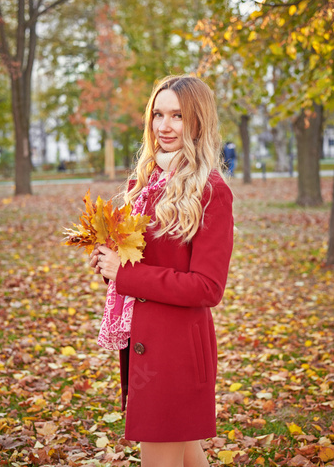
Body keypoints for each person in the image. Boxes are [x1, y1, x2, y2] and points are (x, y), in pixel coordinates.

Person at [89, 75, 234, 467]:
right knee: (187, 456)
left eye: (177, 116)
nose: (163, 126)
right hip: (147, 343)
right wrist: (110, 263)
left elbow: (208, 287)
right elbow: (148, 263)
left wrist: (126, 274)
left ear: (198, 122)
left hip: (176, 355)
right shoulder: (147, 182)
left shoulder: (210, 190)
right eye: (158, 114)